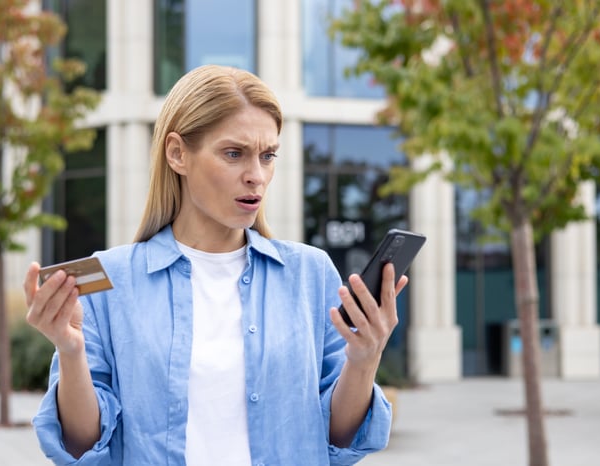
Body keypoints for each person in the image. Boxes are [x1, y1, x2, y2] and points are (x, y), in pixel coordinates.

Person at [23, 64, 408, 466]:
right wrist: (70, 352)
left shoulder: (311, 274)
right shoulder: (110, 280)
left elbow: (339, 439)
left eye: (268, 155)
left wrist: (364, 360)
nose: (256, 176)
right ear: (177, 154)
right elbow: (83, 445)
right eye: (233, 153)